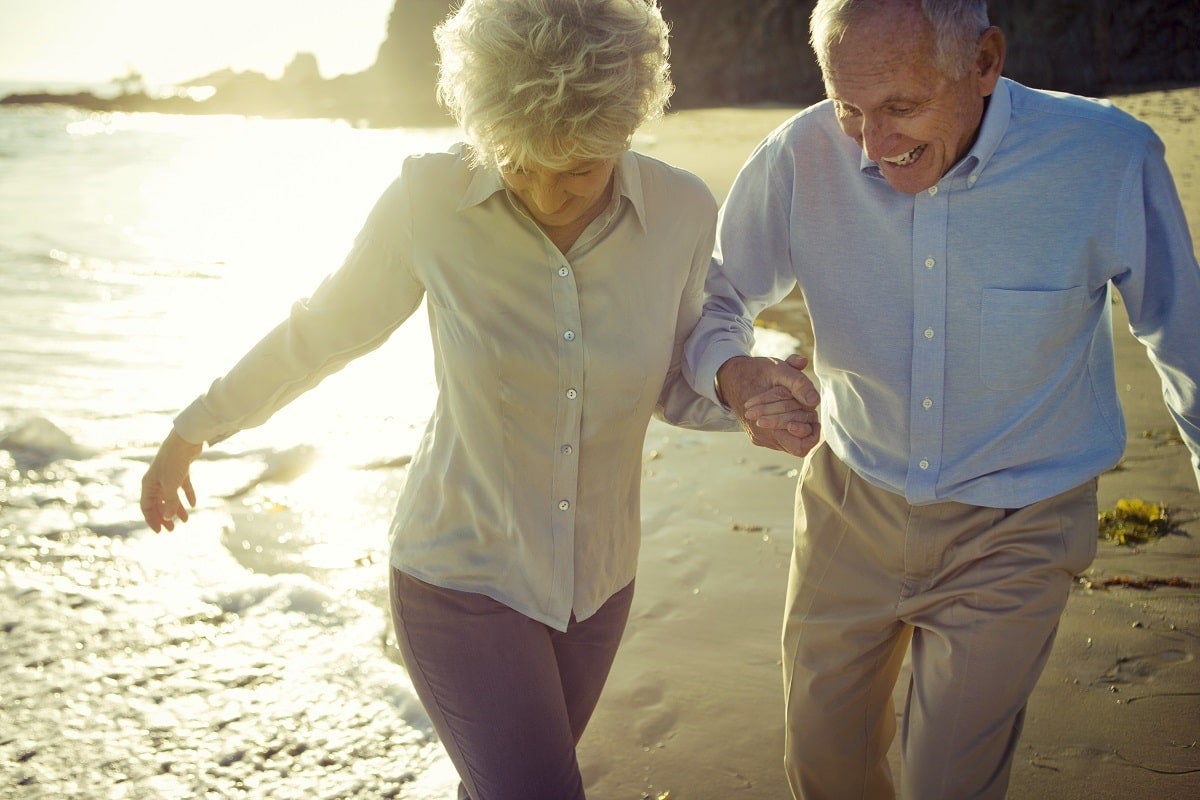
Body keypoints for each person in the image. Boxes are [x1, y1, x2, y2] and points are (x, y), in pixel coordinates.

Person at [139, 1, 819, 798]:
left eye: (578, 170)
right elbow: (320, 333)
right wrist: (194, 429)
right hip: (457, 580)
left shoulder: (679, 212)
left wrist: (750, 397)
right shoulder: (429, 200)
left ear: (628, 124)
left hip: (597, 588)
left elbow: (669, 379)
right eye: (521, 163)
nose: (546, 194)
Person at [684, 0, 1200, 797]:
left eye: (901, 107)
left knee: (949, 780)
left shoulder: (1105, 157)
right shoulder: (799, 155)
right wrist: (735, 372)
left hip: (1020, 523)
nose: (875, 143)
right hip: (850, 500)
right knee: (824, 763)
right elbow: (715, 299)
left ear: (985, 61)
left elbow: (1181, 332)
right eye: (850, 108)